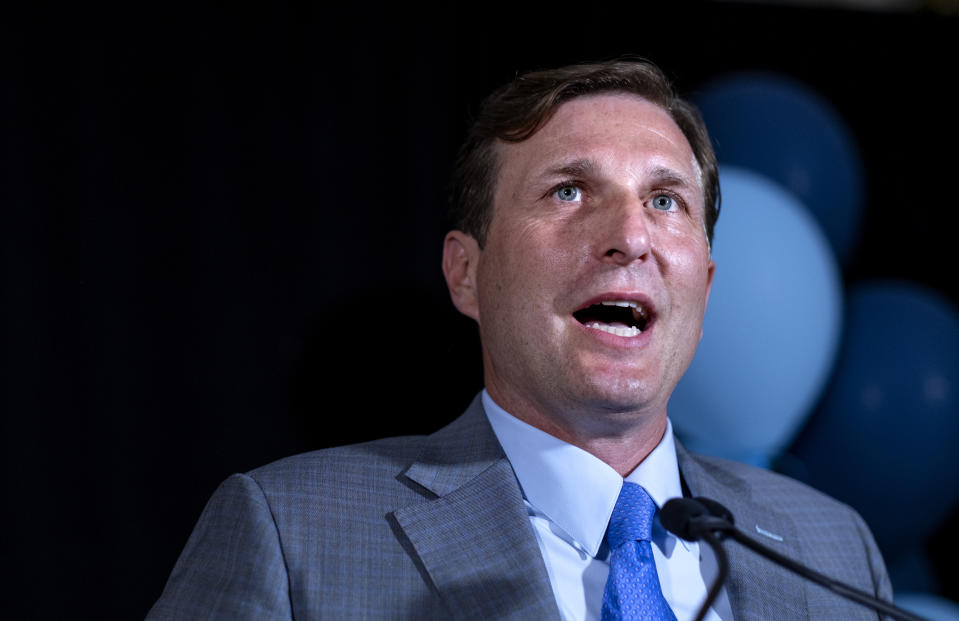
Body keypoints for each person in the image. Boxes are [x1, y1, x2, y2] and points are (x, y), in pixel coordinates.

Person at [147, 59, 892, 620]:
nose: (630, 235)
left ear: (704, 277)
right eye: (568, 191)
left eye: (664, 200)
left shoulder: (831, 549)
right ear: (464, 273)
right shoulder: (289, 535)